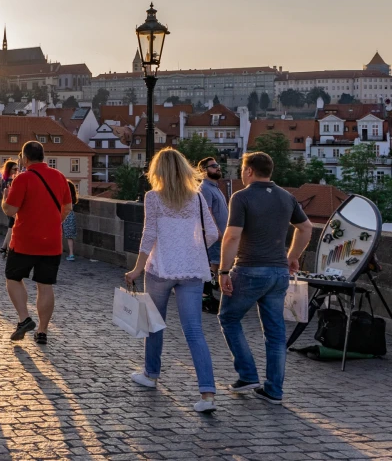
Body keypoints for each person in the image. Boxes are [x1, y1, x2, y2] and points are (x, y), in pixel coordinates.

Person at [124, 148, 220, 412]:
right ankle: (208, 394)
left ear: (158, 171)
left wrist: (137, 269)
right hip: (192, 271)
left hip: (160, 269)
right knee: (194, 331)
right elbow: (212, 233)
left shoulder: (153, 197)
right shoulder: (197, 197)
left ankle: (151, 374)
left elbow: (149, 235)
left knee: (154, 325)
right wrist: (191, 249)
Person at [218, 151, 313, 405]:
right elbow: (306, 228)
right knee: (275, 333)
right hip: (279, 272)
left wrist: (224, 270)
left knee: (228, 317)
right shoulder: (287, 197)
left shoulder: (241, 197)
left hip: (249, 269)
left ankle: (247, 374)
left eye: (241, 169)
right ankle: (274, 390)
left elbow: (232, 236)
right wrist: (292, 256)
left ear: (249, 171)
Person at [2, 141, 72, 345]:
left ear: (25, 158)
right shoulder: (59, 177)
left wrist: (3, 200)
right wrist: (53, 222)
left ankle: (24, 318)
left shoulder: (22, 178)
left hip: (25, 240)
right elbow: (67, 207)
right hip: (51, 241)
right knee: (45, 285)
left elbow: (10, 211)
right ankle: (42, 331)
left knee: (13, 277)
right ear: (43, 156)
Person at [198, 156, 228, 313]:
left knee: (215, 264)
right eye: (213, 166)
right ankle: (206, 298)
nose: (218, 168)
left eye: (218, 165)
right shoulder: (205, 188)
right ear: (204, 170)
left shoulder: (215, 187)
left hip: (221, 233)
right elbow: (207, 211)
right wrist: (216, 231)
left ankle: (209, 296)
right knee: (212, 265)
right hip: (215, 234)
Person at [0, 160, 19, 256]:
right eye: (14, 169)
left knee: (11, 226)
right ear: (9, 169)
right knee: (11, 227)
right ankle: (6, 248)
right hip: (11, 206)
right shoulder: (10, 181)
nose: (16, 171)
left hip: (7, 206)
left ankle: (4, 247)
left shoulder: (4, 179)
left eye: (17, 169)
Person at [63, 180, 78, 261]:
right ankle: (71, 254)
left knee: (58, 233)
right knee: (69, 236)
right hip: (70, 216)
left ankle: (57, 250)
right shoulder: (73, 198)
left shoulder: (64, 196)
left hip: (62, 215)